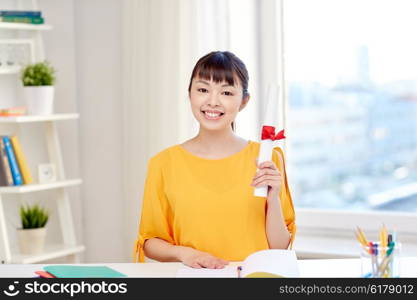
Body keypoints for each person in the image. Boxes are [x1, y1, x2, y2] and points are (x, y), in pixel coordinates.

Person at [133, 51, 295, 269]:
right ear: (190, 94)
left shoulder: (268, 159)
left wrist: (273, 198)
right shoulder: (163, 163)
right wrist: (185, 253)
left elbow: (279, 247)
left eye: (226, 92)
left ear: (244, 101)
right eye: (202, 90)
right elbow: (150, 242)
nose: (212, 101)